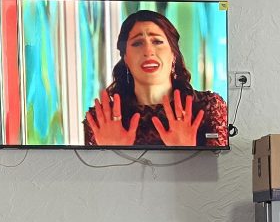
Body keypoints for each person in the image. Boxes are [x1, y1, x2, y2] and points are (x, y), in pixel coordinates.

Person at [82, 9, 229, 148]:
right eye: (137, 43)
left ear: (173, 54)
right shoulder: (101, 120)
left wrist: (185, 148)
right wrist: (113, 152)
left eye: (157, 42)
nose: (148, 51)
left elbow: (222, 164)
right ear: (125, 58)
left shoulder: (210, 107)